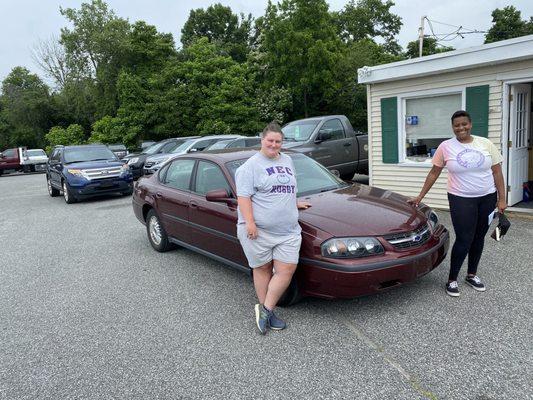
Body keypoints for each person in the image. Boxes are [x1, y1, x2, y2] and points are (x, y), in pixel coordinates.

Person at [408, 110, 506, 297]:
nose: (461, 128)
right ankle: (452, 279)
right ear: (453, 127)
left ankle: (471, 275)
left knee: (479, 237)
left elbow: (497, 172)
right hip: (460, 199)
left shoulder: (485, 143)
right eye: (456, 125)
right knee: (464, 238)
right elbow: (434, 173)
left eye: (464, 124)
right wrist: (420, 196)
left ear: (470, 124)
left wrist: (502, 199)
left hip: (487, 198)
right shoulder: (446, 147)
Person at [235, 122, 311, 334]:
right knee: (263, 269)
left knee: (286, 269)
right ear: (262, 140)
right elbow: (244, 197)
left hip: (288, 231)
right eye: (270, 140)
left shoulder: (287, 160)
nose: (274, 145)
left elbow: (285, 187)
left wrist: (292, 202)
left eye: (278, 141)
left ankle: (266, 309)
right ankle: (267, 310)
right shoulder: (249, 167)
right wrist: (250, 223)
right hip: (259, 231)